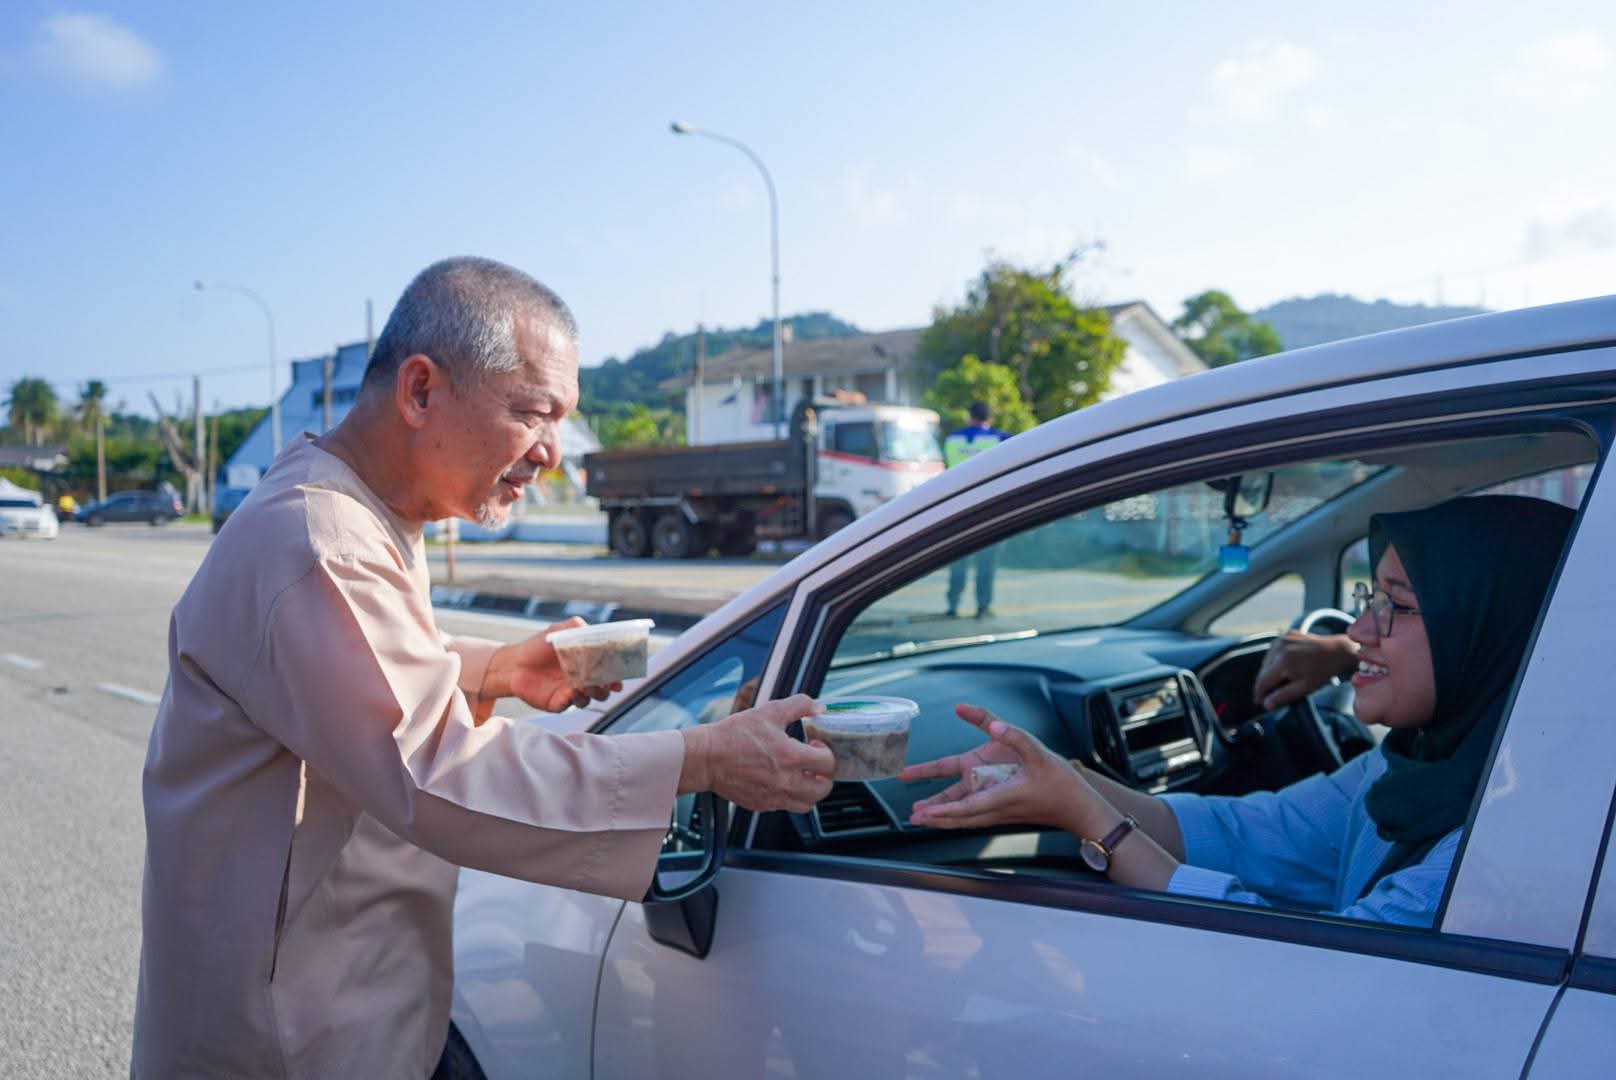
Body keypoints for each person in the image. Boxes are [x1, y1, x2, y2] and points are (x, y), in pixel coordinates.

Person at [132, 257, 837, 1078]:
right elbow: (436, 769)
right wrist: (703, 759)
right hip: (291, 1037)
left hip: (355, 1002)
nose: (552, 454)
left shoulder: (366, 510)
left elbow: (358, 674)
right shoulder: (317, 540)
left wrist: (499, 669)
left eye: (563, 421)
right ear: (421, 391)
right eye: (534, 413)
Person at [902, 495, 1574, 928]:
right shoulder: (1410, 766)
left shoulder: (1500, 847)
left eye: (1395, 604)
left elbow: (1327, 967)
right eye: (1371, 595)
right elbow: (1248, 830)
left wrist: (1090, 820)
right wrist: (1066, 777)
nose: (1360, 633)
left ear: (1487, 630)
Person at [942, 402, 1010, 617]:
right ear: (989, 419)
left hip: (958, 511)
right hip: (989, 511)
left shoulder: (952, 440)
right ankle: (982, 606)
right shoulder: (1000, 439)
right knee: (986, 564)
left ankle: (952, 605)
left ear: (969, 417)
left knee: (958, 562)